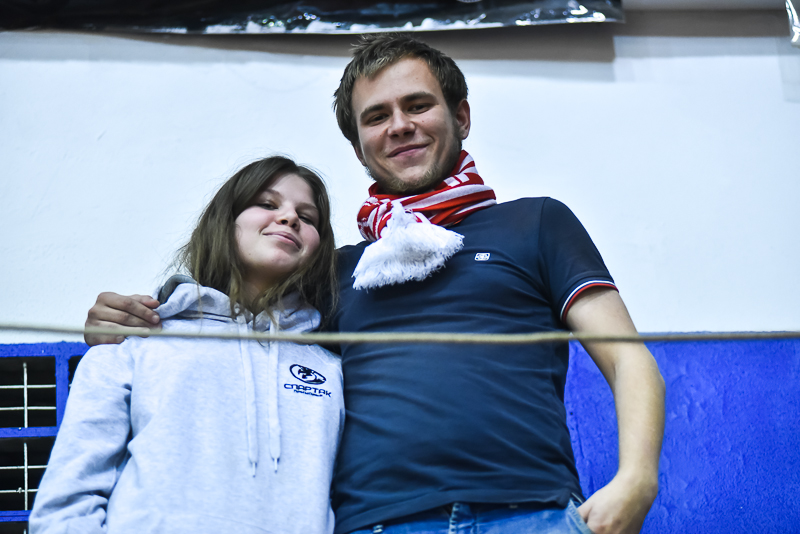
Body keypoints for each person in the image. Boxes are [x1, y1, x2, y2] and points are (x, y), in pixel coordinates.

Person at [84, 35, 665, 534]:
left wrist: (637, 480)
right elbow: (236, 339)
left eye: (418, 105)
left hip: (530, 512)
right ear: (359, 145)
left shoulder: (536, 222)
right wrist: (126, 326)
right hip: (375, 522)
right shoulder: (331, 270)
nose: (400, 126)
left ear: (461, 117)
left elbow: (627, 359)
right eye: (376, 116)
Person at [31, 156, 344, 534]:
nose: (290, 217)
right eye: (266, 203)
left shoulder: (333, 369)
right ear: (225, 220)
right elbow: (66, 504)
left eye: (307, 217)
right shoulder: (134, 343)